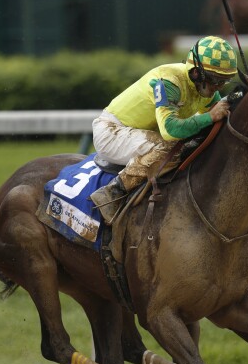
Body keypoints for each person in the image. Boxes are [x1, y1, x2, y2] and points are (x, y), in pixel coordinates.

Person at [90, 35, 237, 223]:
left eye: (224, 80)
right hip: (111, 131)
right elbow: (170, 130)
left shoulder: (205, 87)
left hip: (141, 133)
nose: (218, 86)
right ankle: (112, 193)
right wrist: (209, 116)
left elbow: (218, 121)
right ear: (196, 72)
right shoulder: (169, 82)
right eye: (215, 79)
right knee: (169, 146)